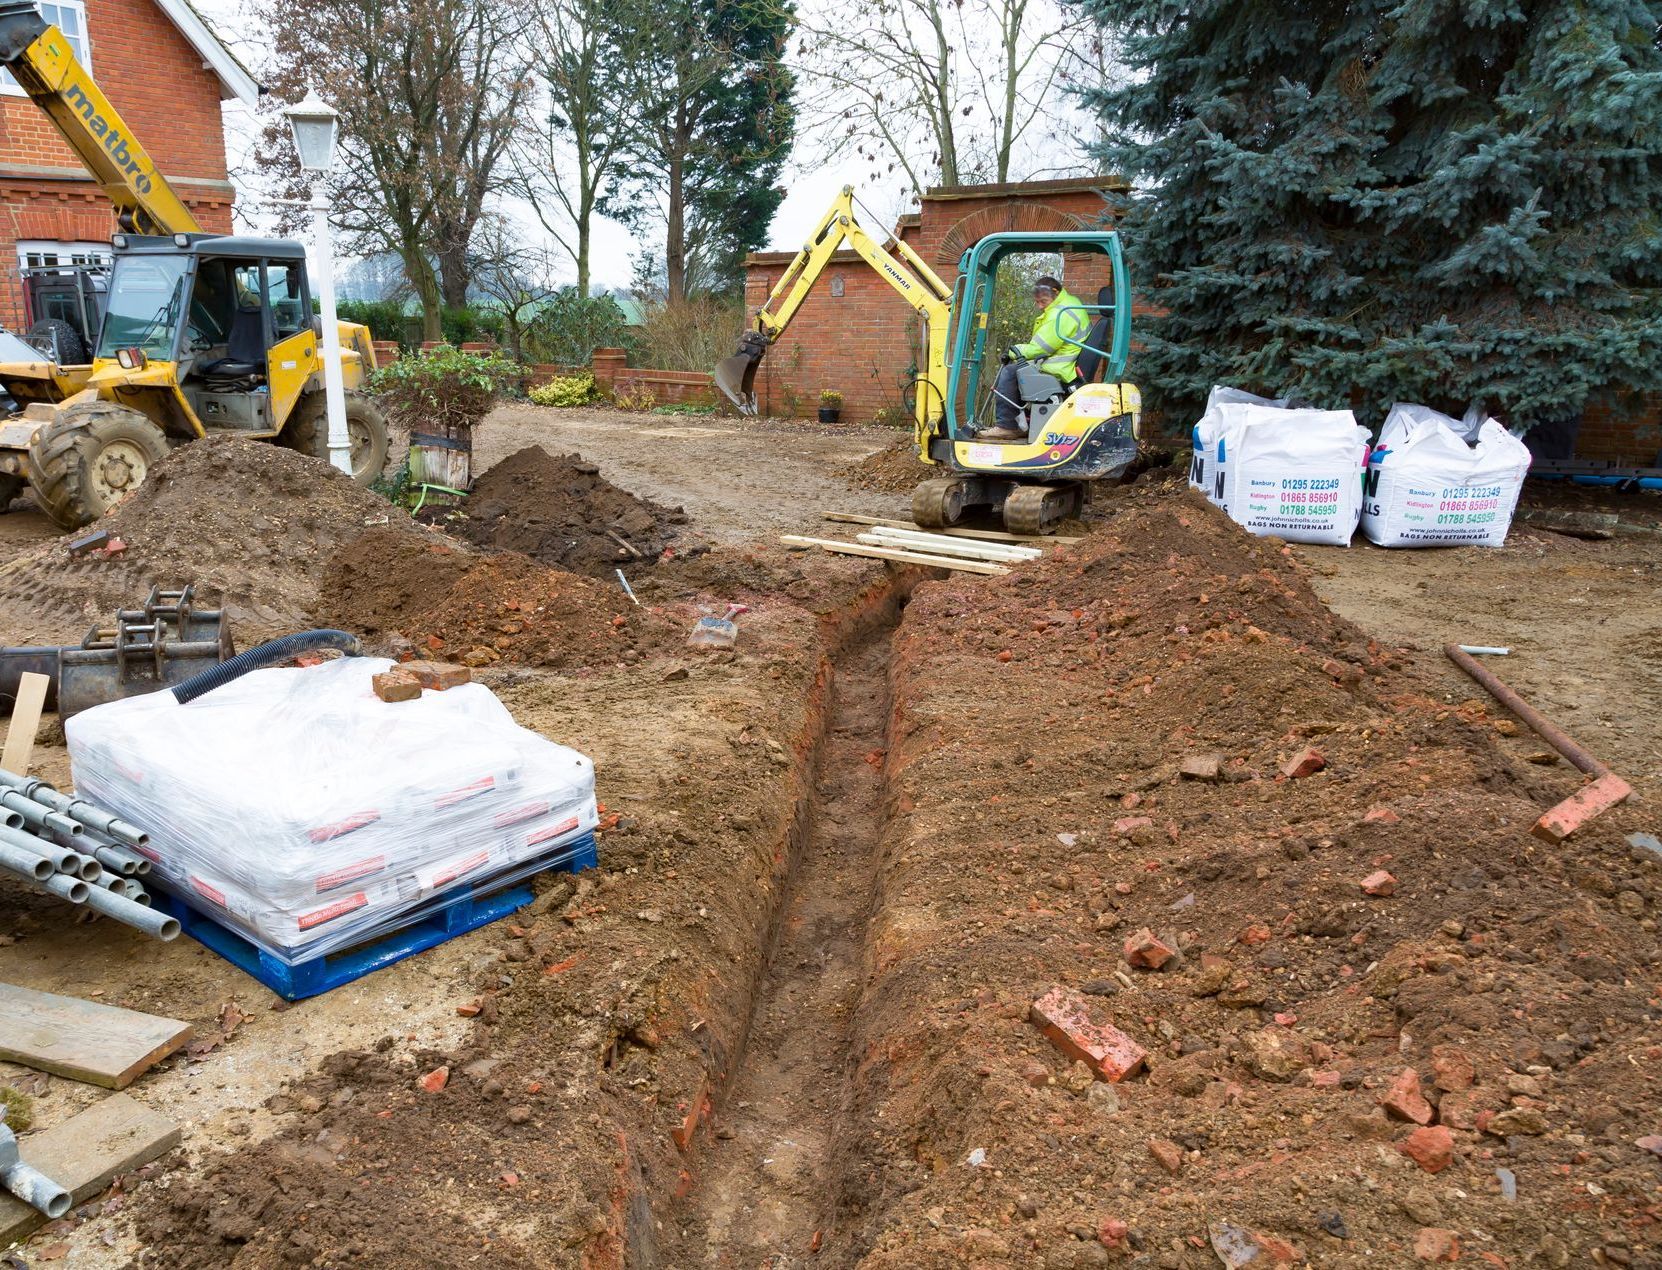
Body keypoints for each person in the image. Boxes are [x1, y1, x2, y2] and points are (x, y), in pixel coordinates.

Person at [975, 275, 1088, 440]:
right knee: (1020, 369)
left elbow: (1041, 347)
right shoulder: (1070, 304)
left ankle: (1007, 426)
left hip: (1059, 368)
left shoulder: (1061, 313)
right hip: (1063, 363)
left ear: (1055, 293)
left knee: (1010, 372)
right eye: (1037, 302)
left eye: (1043, 301)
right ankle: (1024, 424)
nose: (1040, 306)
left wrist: (1014, 351)